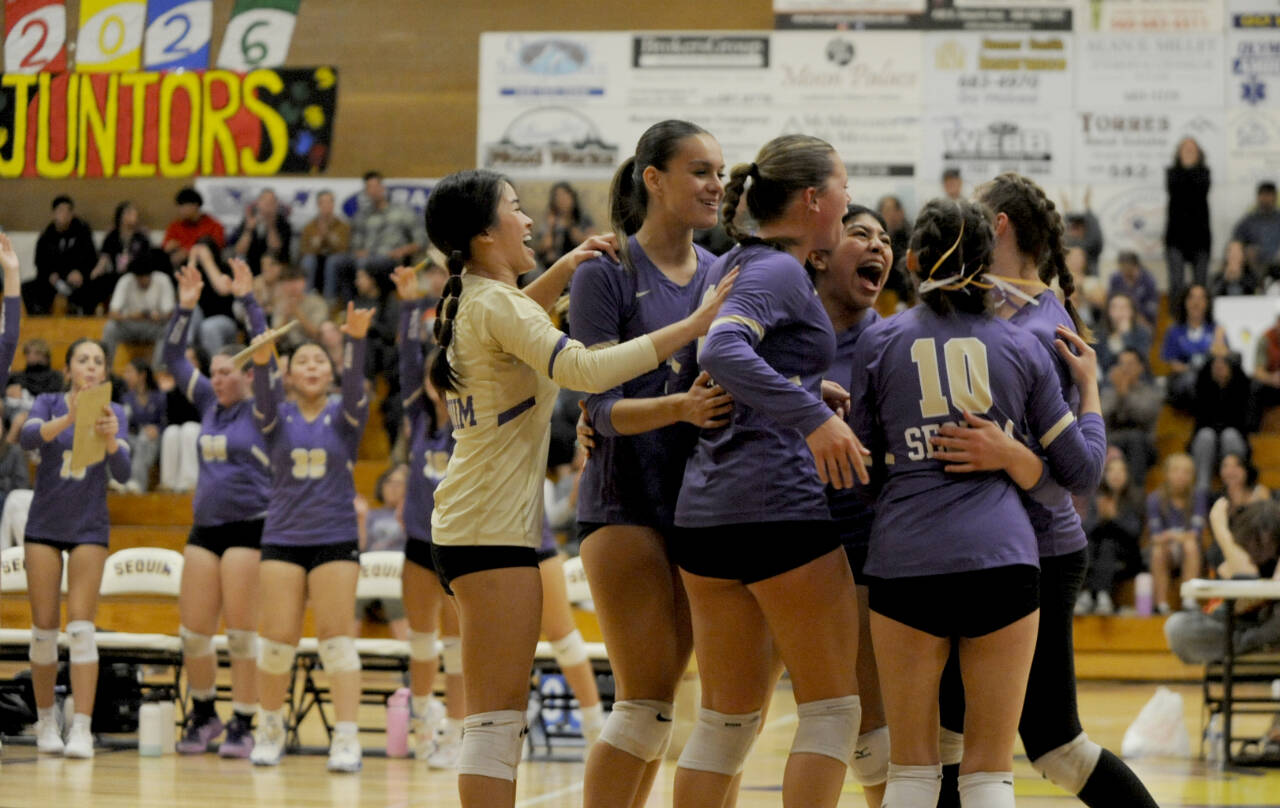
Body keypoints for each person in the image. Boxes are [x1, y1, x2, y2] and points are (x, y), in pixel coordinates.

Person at [423, 167, 734, 807]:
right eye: (515, 208)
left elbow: (517, 315)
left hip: (471, 526)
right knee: (495, 724)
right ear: (485, 233)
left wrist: (564, 265)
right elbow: (586, 368)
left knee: (496, 722)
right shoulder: (495, 304)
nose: (529, 218)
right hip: (489, 534)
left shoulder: (476, 300)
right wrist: (695, 323)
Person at [849, 196, 1109, 808]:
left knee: (913, 770)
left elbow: (859, 466)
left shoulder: (880, 343)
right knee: (989, 772)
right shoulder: (1020, 347)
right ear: (985, 266)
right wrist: (1090, 391)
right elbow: (1083, 472)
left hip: (905, 561)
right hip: (1003, 562)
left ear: (911, 259)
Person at [934, 172, 1156, 808]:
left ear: (999, 224)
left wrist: (1008, 453)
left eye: (977, 216)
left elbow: (1073, 472)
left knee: (1055, 747)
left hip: (1038, 548)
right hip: (989, 547)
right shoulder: (1001, 309)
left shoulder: (1039, 327)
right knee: (947, 733)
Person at [670, 134, 867, 808]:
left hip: (705, 516)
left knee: (724, 724)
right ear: (815, 199)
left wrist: (806, 391)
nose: (848, 198)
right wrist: (812, 417)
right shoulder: (778, 269)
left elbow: (727, 359)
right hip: (776, 509)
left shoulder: (732, 263)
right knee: (834, 712)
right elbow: (723, 351)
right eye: (843, 186)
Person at [563, 120, 728, 808]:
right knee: (642, 704)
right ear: (653, 179)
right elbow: (597, 407)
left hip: (703, 506)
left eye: (720, 171)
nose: (717, 184)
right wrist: (679, 411)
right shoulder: (607, 271)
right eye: (700, 170)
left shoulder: (728, 273)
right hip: (623, 501)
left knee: (669, 712)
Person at [246, 301, 373, 772]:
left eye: (321, 360)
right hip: (283, 536)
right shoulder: (275, 417)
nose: (313, 366)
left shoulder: (346, 416)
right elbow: (261, 382)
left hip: (335, 537)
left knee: (336, 641)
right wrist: (262, 355)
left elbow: (357, 384)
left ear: (331, 372)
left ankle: (345, 738)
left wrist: (356, 341)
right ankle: (269, 727)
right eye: (303, 361)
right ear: (290, 375)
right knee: (276, 642)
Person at [165, 258, 268, 758]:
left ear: (247, 375)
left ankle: (245, 721)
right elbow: (171, 356)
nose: (217, 379)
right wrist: (185, 309)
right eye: (214, 372)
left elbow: (266, 348)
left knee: (243, 634)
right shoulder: (208, 401)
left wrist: (248, 299)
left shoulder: (263, 407)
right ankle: (204, 712)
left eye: (227, 372)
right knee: (193, 632)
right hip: (204, 529)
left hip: (250, 529)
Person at [813, 204, 894, 806]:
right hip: (774, 537)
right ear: (820, 253)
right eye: (860, 234)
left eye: (885, 239)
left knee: (871, 728)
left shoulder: (893, 341)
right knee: (737, 720)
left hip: (862, 542)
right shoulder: (775, 330)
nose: (878, 246)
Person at [20, 338, 130, 758]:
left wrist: (113, 440)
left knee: (82, 630)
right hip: (45, 526)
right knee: (44, 633)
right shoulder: (48, 402)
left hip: (89, 527)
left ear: (103, 373)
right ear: (68, 370)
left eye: (98, 361)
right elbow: (29, 439)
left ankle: (81, 727)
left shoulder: (113, 411)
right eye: (82, 360)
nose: (90, 367)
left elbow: (123, 470)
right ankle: (46, 721)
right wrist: (68, 418)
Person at [390, 264, 455, 762]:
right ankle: (423, 720)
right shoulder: (417, 418)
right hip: (417, 541)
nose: (436, 386)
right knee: (421, 638)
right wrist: (411, 306)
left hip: (457, 545)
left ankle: (456, 730)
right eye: (433, 381)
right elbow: (409, 363)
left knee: (457, 645)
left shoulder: (470, 426)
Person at [1164, 499, 1280, 664]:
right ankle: (1257, 645)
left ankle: (1248, 645)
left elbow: (1251, 579)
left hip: (1270, 624)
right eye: (1255, 542)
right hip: (1242, 626)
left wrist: (1220, 528)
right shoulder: (1230, 555)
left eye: (1267, 542)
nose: (1260, 548)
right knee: (1177, 627)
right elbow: (1244, 598)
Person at [331, 171, 427, 303]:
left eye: (376, 186)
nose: (373, 191)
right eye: (369, 188)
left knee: (366, 263)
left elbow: (420, 241)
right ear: (366, 192)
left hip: (390, 258)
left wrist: (402, 251)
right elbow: (355, 244)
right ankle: (336, 302)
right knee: (336, 261)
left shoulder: (402, 212)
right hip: (366, 256)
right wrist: (358, 252)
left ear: (383, 188)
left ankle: (365, 303)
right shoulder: (362, 216)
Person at [1078, 456, 1145, 615]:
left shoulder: (1136, 498)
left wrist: (1114, 519)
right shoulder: (1096, 497)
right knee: (1094, 544)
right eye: (1111, 470)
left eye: (1120, 471)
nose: (1116, 475)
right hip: (1098, 553)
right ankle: (1099, 595)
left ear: (1127, 475)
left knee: (1108, 544)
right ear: (1105, 475)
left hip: (1128, 555)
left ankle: (1092, 594)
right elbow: (1085, 529)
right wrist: (1101, 519)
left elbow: (1134, 533)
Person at [354, 465, 410, 640]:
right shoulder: (371, 515)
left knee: (394, 593)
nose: (393, 487)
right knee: (350, 594)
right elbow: (360, 547)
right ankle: (345, 652)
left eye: (399, 483)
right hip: (368, 573)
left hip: (398, 575)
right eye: (389, 482)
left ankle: (406, 654)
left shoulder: (413, 516)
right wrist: (361, 519)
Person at [1147, 453, 1207, 614]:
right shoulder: (1155, 498)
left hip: (1189, 550)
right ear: (1166, 474)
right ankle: (1161, 604)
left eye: (1186, 472)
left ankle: (1189, 600)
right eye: (1176, 470)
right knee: (1158, 550)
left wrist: (1173, 536)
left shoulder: (1198, 497)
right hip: (1166, 550)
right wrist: (1177, 536)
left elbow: (1196, 532)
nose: (1181, 476)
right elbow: (1156, 536)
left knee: (1190, 545)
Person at [1189, 353, 1255, 495]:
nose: (1219, 369)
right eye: (1215, 366)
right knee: (1205, 435)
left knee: (1229, 435)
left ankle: (1234, 487)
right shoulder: (1202, 389)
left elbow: (1247, 423)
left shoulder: (1242, 390)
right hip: (1207, 443)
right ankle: (1202, 490)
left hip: (1233, 441)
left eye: (1223, 366)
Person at [101, 248, 177, 369]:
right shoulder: (125, 281)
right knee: (110, 327)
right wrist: (131, 316)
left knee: (170, 328)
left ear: (151, 274)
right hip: (130, 324)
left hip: (153, 325)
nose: (142, 280)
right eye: (138, 277)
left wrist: (158, 316)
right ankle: (105, 369)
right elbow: (112, 313)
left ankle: (157, 371)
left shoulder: (162, 280)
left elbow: (170, 313)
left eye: (145, 277)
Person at [27, 195, 98, 315]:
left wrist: (80, 272)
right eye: (60, 211)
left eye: (68, 211)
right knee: (28, 287)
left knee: (94, 286)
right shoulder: (46, 236)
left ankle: (81, 314)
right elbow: (40, 262)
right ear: (54, 213)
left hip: (77, 278)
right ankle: (39, 317)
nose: (64, 214)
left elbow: (91, 258)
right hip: (53, 279)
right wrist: (50, 274)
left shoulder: (82, 232)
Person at [1100, 348, 1160, 487]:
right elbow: (1101, 416)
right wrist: (1118, 395)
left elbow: (1144, 415)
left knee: (1135, 438)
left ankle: (1135, 493)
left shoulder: (1150, 392)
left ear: (1141, 368)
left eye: (1130, 364)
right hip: (1114, 441)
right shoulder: (1109, 393)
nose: (1125, 369)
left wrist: (1125, 395)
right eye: (1122, 364)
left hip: (1143, 444)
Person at [1162, 284, 1228, 409]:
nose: (1196, 303)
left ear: (1207, 303)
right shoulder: (1174, 331)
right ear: (1185, 302)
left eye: (1201, 298)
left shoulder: (1216, 329)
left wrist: (1219, 340)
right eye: (1191, 298)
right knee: (1192, 379)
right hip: (1184, 382)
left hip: (1211, 379)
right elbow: (1173, 365)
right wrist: (1195, 370)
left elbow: (1224, 358)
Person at [1165, 137, 1213, 306]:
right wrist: (1186, 167)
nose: (1188, 151)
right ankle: (1177, 319)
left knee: (1200, 284)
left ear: (1199, 153)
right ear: (1178, 152)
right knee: (1176, 283)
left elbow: (1198, 191)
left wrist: (1191, 167)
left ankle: (1203, 318)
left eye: (1192, 149)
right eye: (1185, 148)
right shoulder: (1172, 173)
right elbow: (1178, 191)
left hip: (1200, 236)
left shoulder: (1205, 173)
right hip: (1176, 237)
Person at [91, 201, 152, 313]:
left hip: (135, 275)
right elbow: (104, 257)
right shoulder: (112, 236)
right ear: (120, 216)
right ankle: (95, 311)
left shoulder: (140, 237)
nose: (133, 216)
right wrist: (96, 271)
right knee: (98, 281)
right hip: (116, 274)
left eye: (134, 213)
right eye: (129, 213)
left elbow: (146, 259)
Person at [120, 358, 165, 493]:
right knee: (119, 442)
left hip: (156, 440)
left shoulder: (159, 397)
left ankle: (137, 483)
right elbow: (125, 424)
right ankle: (117, 483)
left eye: (129, 372)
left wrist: (158, 429)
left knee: (145, 438)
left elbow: (167, 421)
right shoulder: (126, 398)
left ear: (142, 375)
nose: (126, 376)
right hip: (135, 439)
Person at [301, 189, 352, 301]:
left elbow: (345, 249)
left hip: (336, 259)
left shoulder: (343, 226)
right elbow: (304, 250)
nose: (326, 206)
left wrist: (329, 237)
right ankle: (306, 297)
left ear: (333, 204)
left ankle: (330, 300)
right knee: (308, 261)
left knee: (333, 261)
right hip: (316, 259)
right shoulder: (309, 227)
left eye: (329, 202)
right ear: (318, 205)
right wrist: (318, 241)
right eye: (323, 202)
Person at [230, 189, 292, 275]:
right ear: (258, 203)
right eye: (265, 202)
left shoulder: (283, 222)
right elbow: (239, 250)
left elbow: (276, 249)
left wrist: (271, 227)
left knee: (268, 259)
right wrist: (249, 230)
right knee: (239, 259)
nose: (268, 205)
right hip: (251, 261)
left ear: (276, 205)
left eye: (271, 202)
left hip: (275, 263)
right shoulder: (249, 220)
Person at [163, 187, 226, 271]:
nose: (180, 211)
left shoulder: (213, 225)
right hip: (179, 266)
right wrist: (168, 248)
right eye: (179, 207)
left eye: (183, 206)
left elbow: (217, 247)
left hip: (206, 267)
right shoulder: (175, 226)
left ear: (195, 206)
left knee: (205, 242)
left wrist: (188, 252)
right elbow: (166, 245)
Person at [537, 181, 596, 268]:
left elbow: (593, 241)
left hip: (579, 260)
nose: (562, 200)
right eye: (558, 196)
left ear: (573, 197)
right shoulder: (551, 219)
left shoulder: (583, 218)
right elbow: (544, 247)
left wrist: (570, 225)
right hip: (555, 264)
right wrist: (551, 228)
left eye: (565, 196)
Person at [1095, 293, 1153, 376]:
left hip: (1139, 380)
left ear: (1132, 311)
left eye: (1124, 307)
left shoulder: (1143, 332)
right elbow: (1105, 365)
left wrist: (1126, 335)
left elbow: (1140, 359)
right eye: (1115, 307)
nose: (1119, 311)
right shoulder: (1100, 335)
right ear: (1108, 311)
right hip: (1110, 381)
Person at [1232, 181, 1280, 279]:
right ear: (1258, 197)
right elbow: (1236, 240)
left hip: (1277, 260)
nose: (1266, 198)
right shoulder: (1249, 220)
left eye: (1269, 195)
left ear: (1275, 197)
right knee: (1244, 251)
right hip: (1255, 262)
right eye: (1263, 194)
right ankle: (1256, 284)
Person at [1106, 252, 1159, 330]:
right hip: (1119, 316)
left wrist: (1135, 316)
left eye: (1127, 268)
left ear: (1135, 266)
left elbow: (1152, 307)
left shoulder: (1148, 280)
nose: (1124, 272)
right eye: (1122, 268)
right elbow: (1110, 300)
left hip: (1144, 319)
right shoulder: (1115, 278)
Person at [1252, 299, 1280, 410]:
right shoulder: (1266, 339)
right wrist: (1272, 378)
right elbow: (1258, 371)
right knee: (1255, 387)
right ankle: (1253, 426)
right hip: (1271, 384)